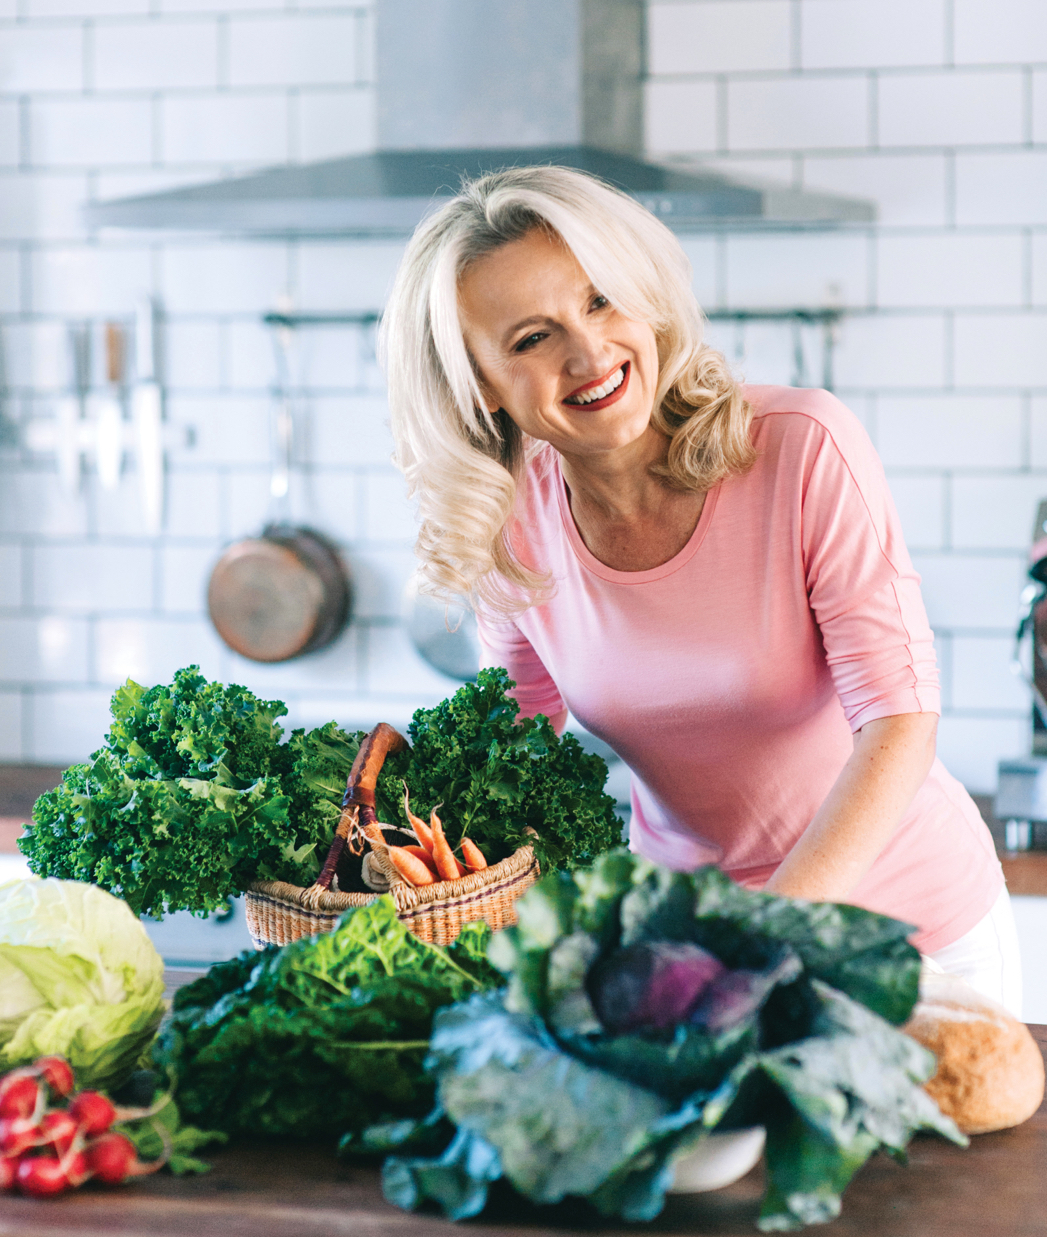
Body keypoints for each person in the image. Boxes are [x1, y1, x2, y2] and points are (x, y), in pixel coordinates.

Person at [381, 165, 1020, 1014]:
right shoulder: (513, 525)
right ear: (481, 390)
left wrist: (756, 938)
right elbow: (516, 756)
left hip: (909, 940)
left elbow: (899, 719)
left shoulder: (801, 448)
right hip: (685, 948)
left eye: (601, 300)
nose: (588, 352)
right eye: (532, 338)